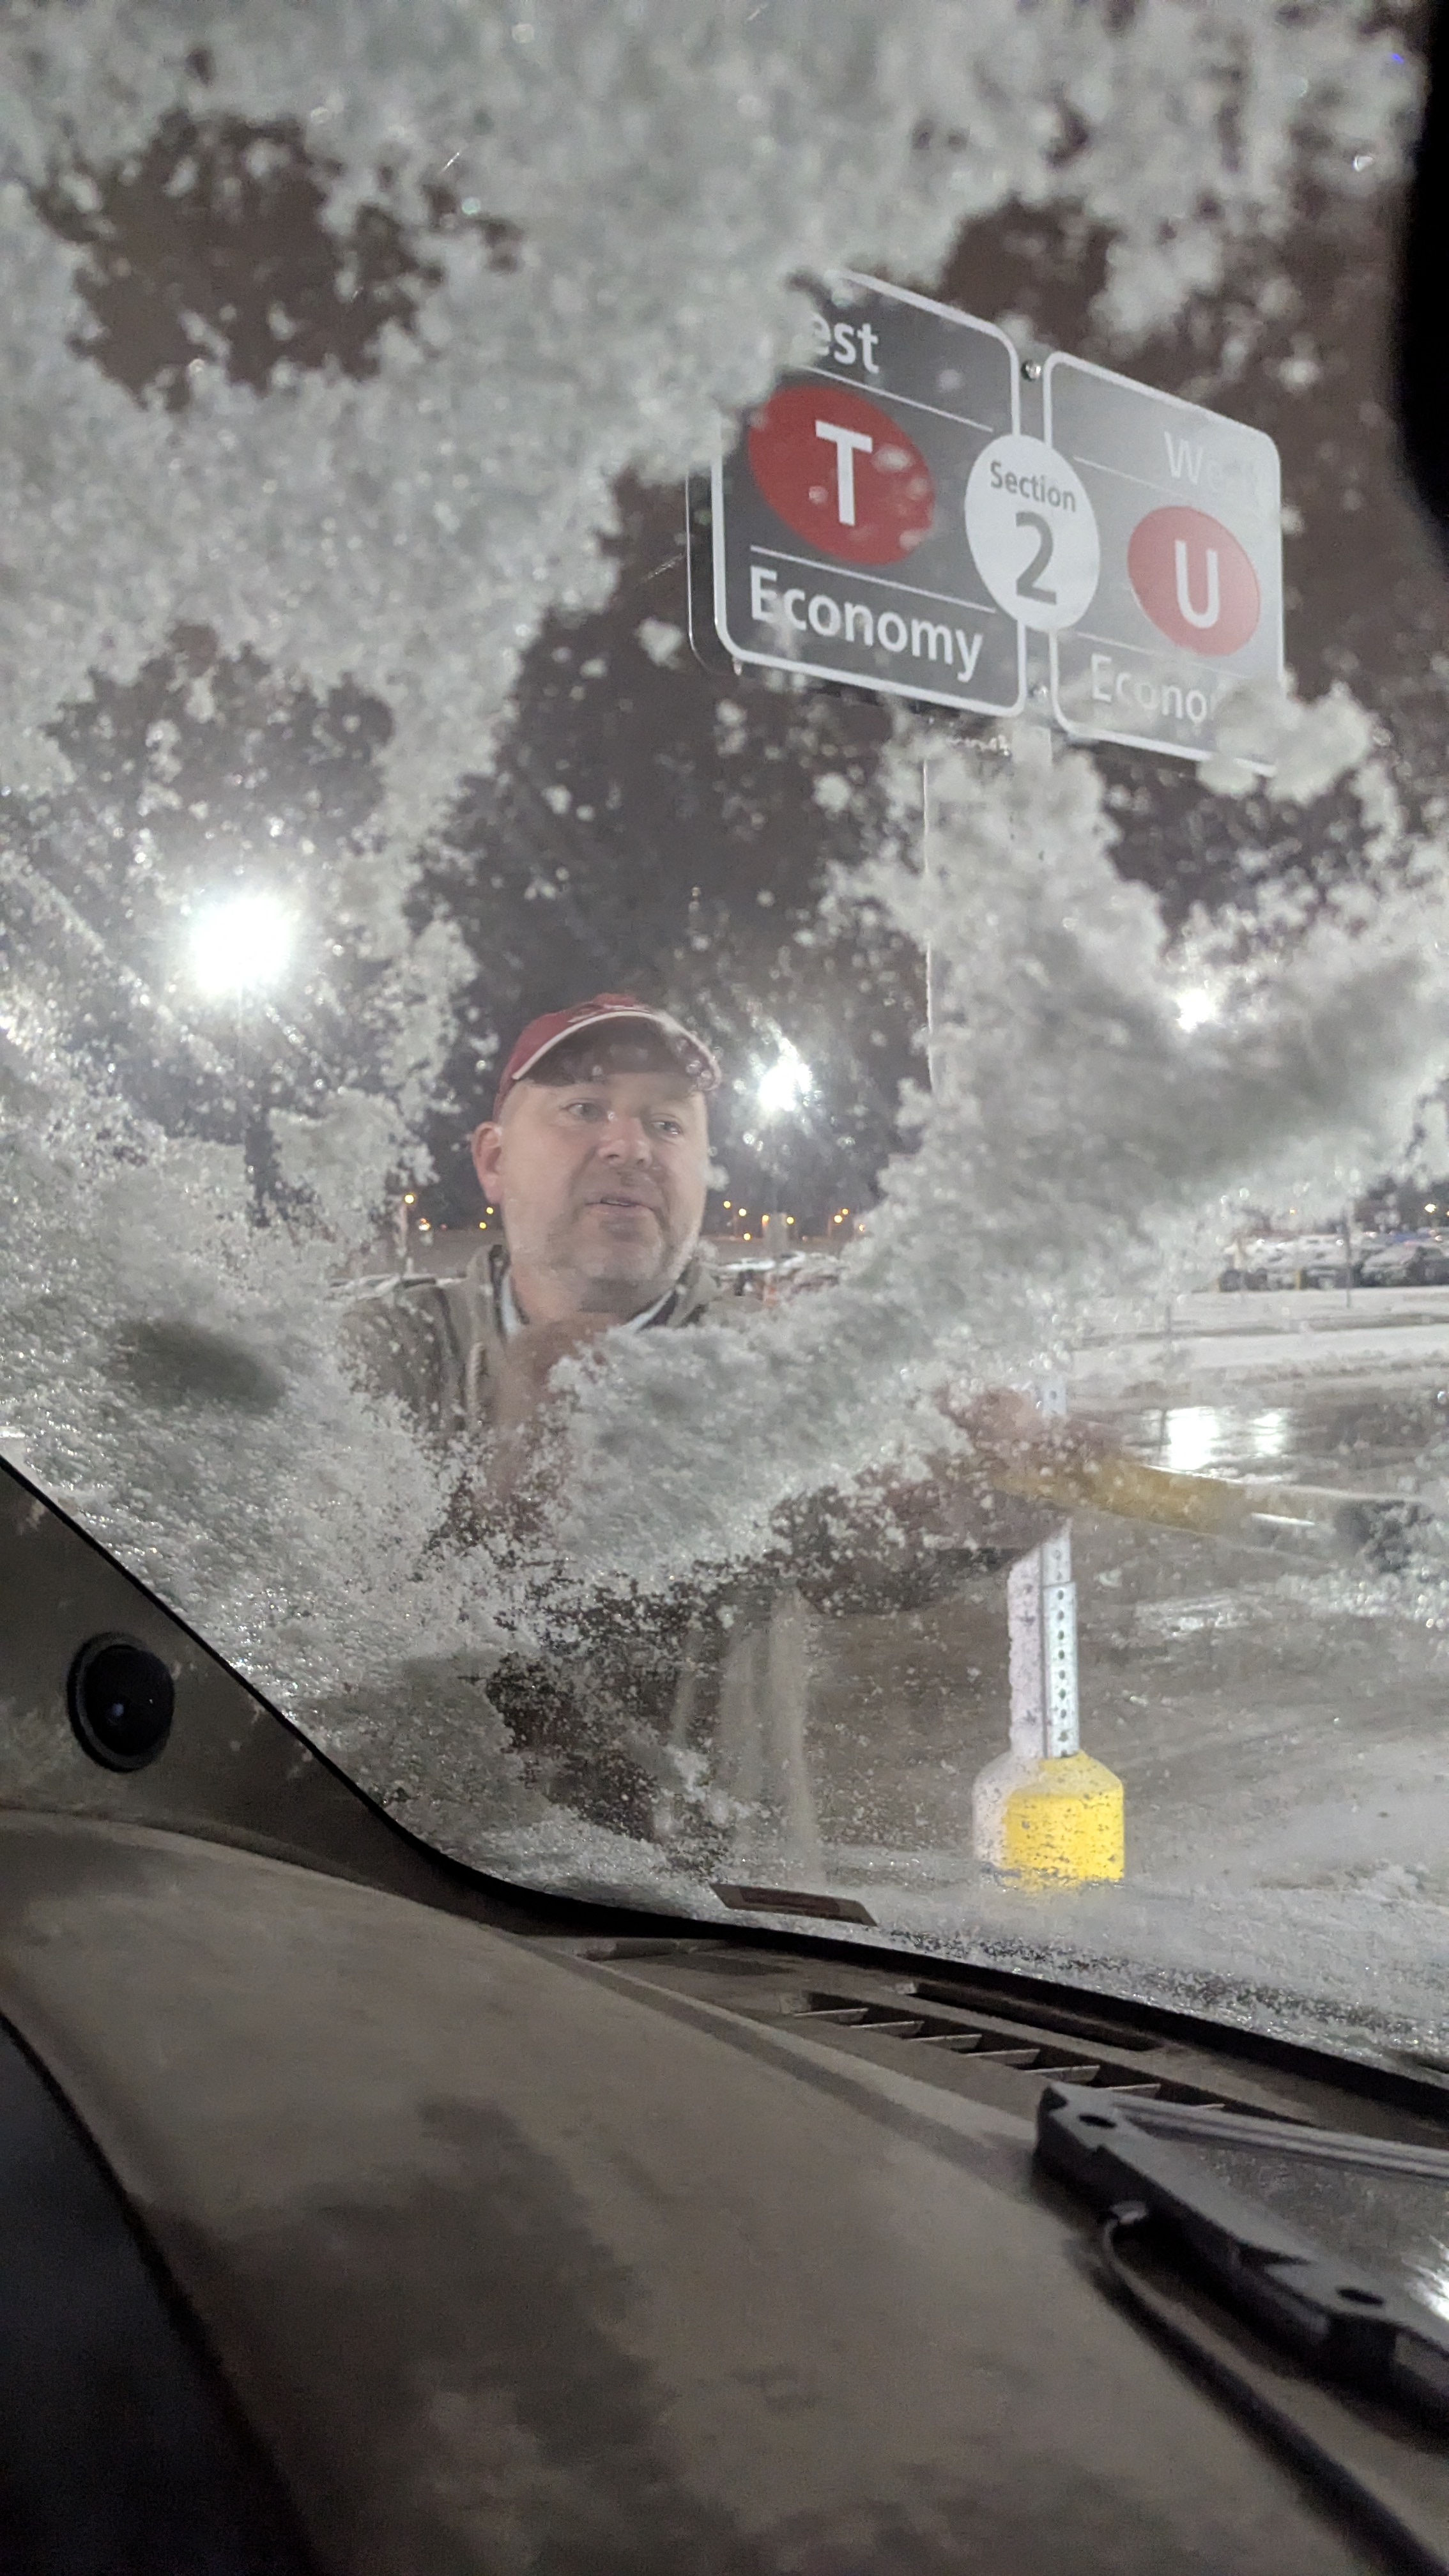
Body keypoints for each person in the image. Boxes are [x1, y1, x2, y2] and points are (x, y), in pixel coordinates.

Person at [342, 992, 1064, 1854]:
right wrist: (497, 1507)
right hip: (425, 1902)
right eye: (584, 1108)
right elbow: (301, 1612)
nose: (630, 1146)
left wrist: (966, 1510)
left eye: (668, 1124)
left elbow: (855, 1550)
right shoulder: (382, 1358)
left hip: (721, 1916)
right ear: (494, 1160)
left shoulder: (774, 1369)